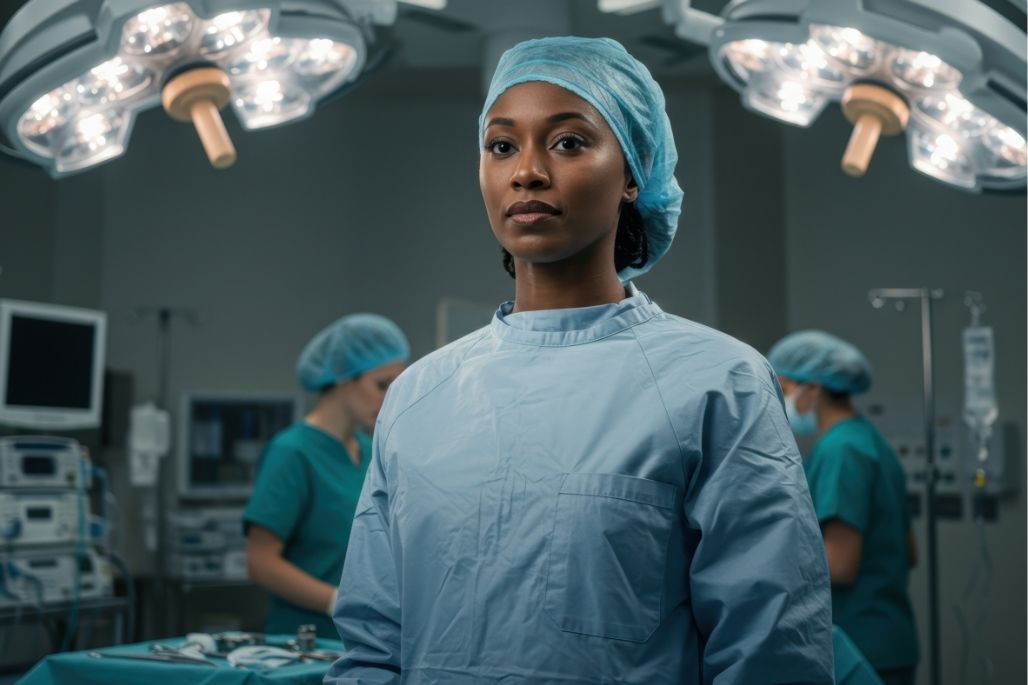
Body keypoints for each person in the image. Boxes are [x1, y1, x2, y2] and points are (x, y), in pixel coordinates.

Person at [327, 37, 833, 684]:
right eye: (501, 146)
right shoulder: (418, 396)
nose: (527, 172)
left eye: (568, 142)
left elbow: (773, 653)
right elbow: (372, 645)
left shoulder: (717, 384)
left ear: (632, 173)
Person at [243, 313, 409, 638]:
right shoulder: (293, 452)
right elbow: (260, 562)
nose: (390, 397)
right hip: (305, 641)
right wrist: (337, 601)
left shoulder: (370, 451)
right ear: (345, 378)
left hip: (364, 638)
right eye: (381, 384)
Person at [768, 330, 919, 685]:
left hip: (860, 645)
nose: (781, 399)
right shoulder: (868, 440)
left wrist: (765, 558)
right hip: (886, 635)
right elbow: (908, 550)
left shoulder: (841, 450)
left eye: (786, 389)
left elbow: (840, 565)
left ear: (813, 388)